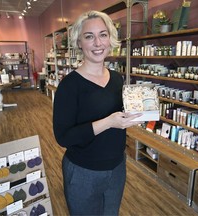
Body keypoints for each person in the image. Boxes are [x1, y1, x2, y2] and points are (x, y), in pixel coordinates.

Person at [53, 10, 142, 216]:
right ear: (79, 43)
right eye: (89, 36)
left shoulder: (117, 79)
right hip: (83, 171)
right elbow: (63, 137)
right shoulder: (69, 85)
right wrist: (108, 122)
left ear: (110, 39)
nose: (97, 43)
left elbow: (118, 116)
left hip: (117, 167)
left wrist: (132, 117)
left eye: (103, 34)